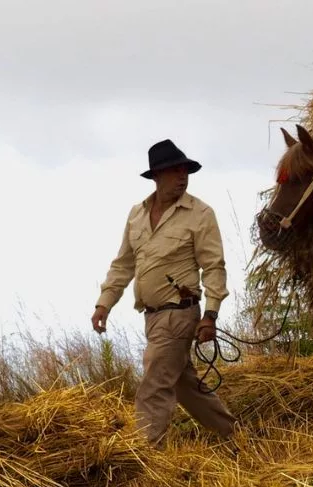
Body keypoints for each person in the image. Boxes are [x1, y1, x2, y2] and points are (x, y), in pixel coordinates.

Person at [91, 139, 238, 448]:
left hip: (179, 313)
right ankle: (231, 435)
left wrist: (210, 315)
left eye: (185, 171)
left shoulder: (200, 214)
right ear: (156, 176)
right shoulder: (136, 214)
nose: (182, 177)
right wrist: (104, 303)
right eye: (174, 171)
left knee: (154, 385)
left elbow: (214, 266)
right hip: (152, 316)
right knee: (185, 386)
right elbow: (123, 263)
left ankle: (145, 455)